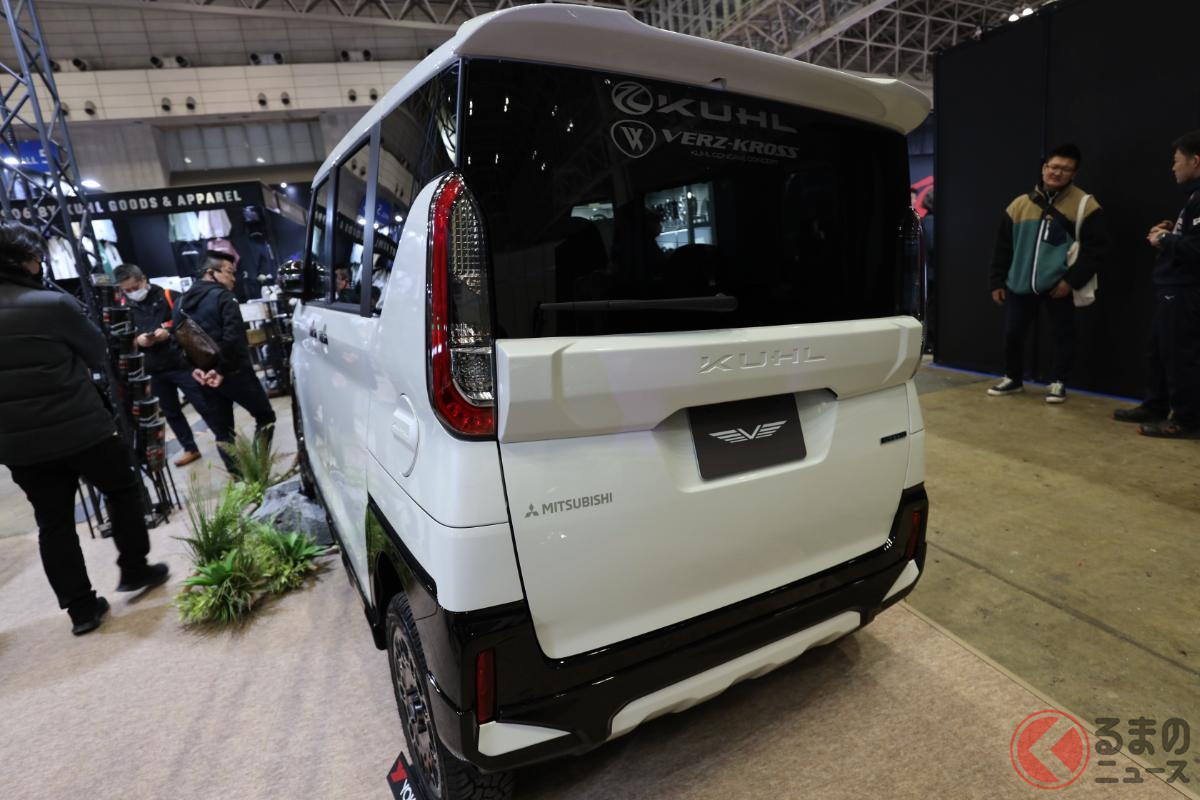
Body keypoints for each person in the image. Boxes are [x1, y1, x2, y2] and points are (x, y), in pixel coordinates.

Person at [0, 221, 169, 635]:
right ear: (25, 260)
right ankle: (134, 567)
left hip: (20, 443)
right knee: (123, 490)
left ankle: (81, 610)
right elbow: (97, 352)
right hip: (81, 427)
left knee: (53, 522)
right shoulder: (51, 304)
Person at [987, 144, 1108, 403]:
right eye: (1053, 167)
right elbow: (1002, 246)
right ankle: (1013, 378)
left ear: (1074, 173)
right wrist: (997, 281)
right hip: (1019, 283)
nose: (1057, 173)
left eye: (1065, 169)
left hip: (1059, 284)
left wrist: (1071, 281)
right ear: (1044, 168)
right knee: (1013, 333)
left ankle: (1058, 381)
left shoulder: (1085, 205)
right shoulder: (1019, 205)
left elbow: (1095, 251)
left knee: (1063, 334)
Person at [1113, 131, 1200, 438]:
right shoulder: (1194, 197)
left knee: (1180, 356)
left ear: (1195, 161)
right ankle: (1156, 405)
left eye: (1177, 161)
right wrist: (1171, 234)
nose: (1173, 167)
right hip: (1172, 288)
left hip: (1186, 290)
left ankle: (1188, 421)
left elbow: (1197, 250)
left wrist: (1164, 239)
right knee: (1159, 351)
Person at [174, 252, 276, 474]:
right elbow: (234, 338)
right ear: (211, 273)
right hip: (235, 372)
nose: (234, 278)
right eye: (229, 272)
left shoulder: (180, 302)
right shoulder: (224, 297)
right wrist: (220, 370)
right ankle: (259, 470)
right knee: (265, 417)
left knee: (223, 433)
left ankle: (241, 482)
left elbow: (178, 341)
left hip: (205, 378)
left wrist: (194, 370)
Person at [114, 263, 213, 467]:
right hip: (152, 369)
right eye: (127, 290)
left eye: (135, 287)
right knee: (171, 412)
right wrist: (137, 340)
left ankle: (225, 438)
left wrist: (168, 333)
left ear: (144, 279)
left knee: (204, 404)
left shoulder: (170, 296)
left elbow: (190, 324)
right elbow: (121, 340)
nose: (133, 293)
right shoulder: (125, 309)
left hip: (181, 363)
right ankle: (189, 448)